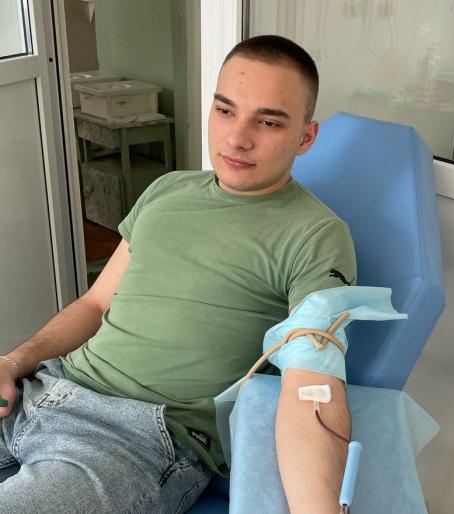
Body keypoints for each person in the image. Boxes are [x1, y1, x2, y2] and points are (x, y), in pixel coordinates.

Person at [0, 35, 356, 513]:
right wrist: (12, 364)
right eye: (225, 110)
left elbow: (314, 382)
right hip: (45, 388)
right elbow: (96, 304)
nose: (237, 137)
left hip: (134, 439)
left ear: (306, 137)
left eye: (268, 121)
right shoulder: (167, 190)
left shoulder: (317, 234)